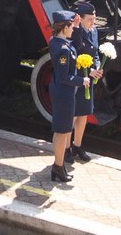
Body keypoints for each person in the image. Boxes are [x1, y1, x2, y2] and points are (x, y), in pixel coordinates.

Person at [46, 11, 82, 182]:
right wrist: (83, 81)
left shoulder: (56, 42)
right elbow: (64, 77)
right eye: (71, 27)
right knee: (63, 131)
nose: (73, 30)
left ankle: (58, 166)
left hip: (61, 92)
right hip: (64, 94)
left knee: (60, 130)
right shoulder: (62, 50)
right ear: (65, 27)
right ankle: (58, 167)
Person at [68, 3, 103, 163]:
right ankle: (66, 147)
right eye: (89, 19)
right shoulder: (75, 33)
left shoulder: (94, 31)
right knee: (73, 115)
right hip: (78, 79)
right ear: (80, 19)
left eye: (94, 18)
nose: (93, 22)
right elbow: (72, 56)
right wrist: (89, 71)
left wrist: (97, 67)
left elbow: (95, 52)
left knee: (83, 114)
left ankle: (77, 145)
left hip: (89, 80)